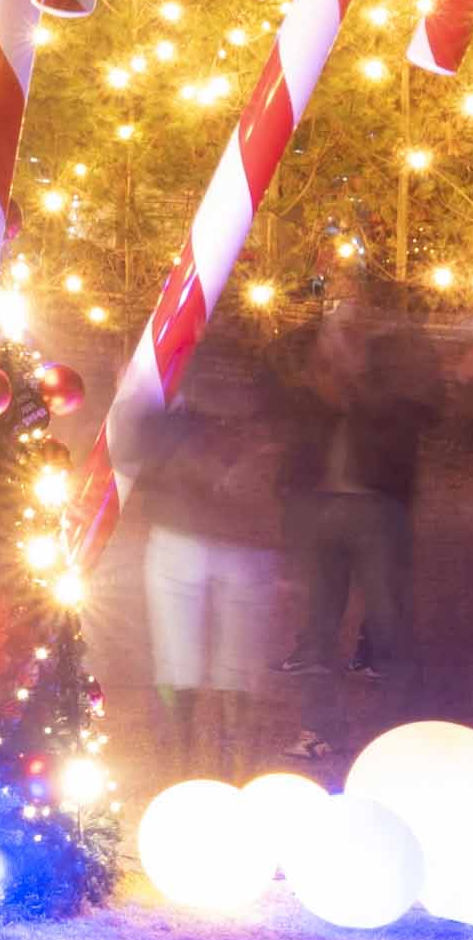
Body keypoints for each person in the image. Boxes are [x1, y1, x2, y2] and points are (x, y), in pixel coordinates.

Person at [273, 271, 439, 756]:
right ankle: (319, 730)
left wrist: (354, 367)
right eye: (335, 295)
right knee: (319, 628)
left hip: (376, 508)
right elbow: (280, 396)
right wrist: (319, 355)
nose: (343, 304)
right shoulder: (311, 348)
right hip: (318, 504)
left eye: (353, 296)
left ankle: (403, 738)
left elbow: (421, 411)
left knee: (389, 625)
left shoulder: (401, 354)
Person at [137, 357, 282, 781]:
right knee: (239, 666)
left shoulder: (179, 369)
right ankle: (233, 770)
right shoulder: (271, 377)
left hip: (181, 532)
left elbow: (137, 451)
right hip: (248, 539)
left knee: (177, 659)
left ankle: (181, 771)